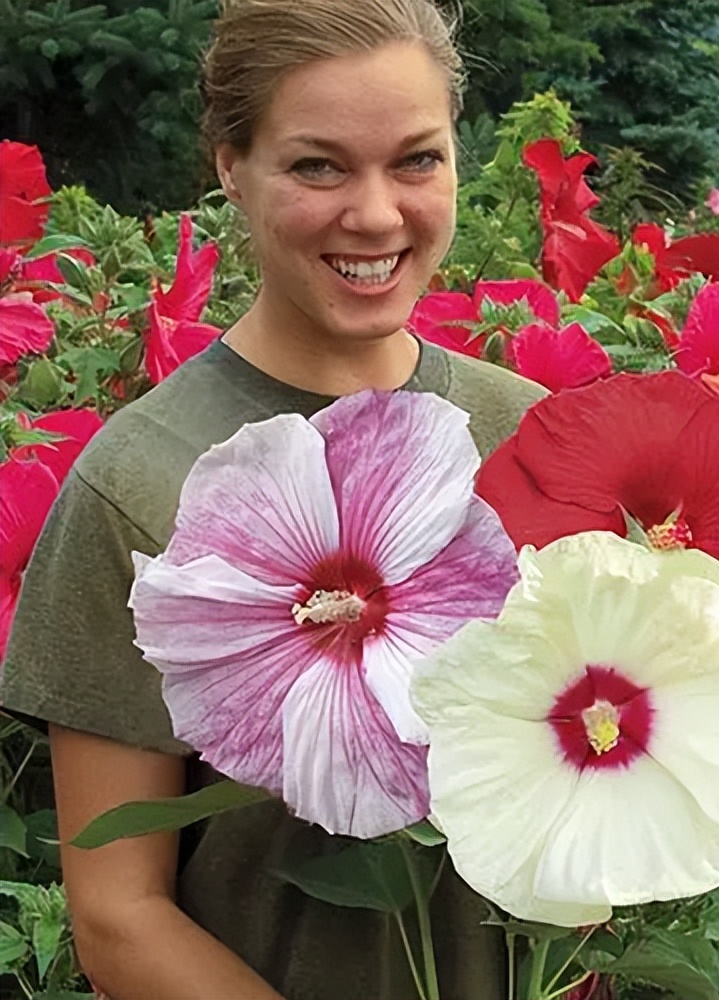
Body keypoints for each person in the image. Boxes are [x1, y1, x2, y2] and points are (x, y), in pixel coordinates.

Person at [0, 2, 546, 997]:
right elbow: (119, 914)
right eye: (317, 166)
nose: (376, 213)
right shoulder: (139, 480)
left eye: (416, 159)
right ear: (230, 165)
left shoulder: (527, 436)